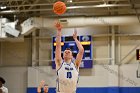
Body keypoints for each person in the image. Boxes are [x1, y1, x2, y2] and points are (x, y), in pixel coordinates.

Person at [55, 21, 84, 93]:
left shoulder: (75, 64)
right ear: (63, 55)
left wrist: (75, 39)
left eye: (69, 52)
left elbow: (81, 50)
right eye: (65, 52)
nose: (67, 52)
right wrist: (59, 31)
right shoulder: (59, 63)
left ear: (71, 56)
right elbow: (58, 46)